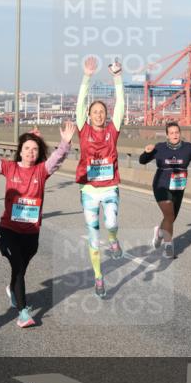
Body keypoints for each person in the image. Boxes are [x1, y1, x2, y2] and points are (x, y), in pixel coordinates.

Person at [0, 116, 76, 327]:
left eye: (34, 149)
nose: (30, 152)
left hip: (31, 232)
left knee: (20, 271)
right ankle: (23, 312)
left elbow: (57, 159)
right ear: (20, 150)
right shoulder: (9, 168)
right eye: (27, 148)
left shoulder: (41, 171)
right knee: (17, 265)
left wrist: (65, 143)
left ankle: (12, 289)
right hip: (9, 229)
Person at [75, 56, 125, 298]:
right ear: (89, 115)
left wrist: (117, 77)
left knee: (112, 222)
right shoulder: (83, 130)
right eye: (94, 111)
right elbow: (79, 105)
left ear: (106, 115)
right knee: (93, 236)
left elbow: (121, 106)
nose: (98, 115)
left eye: (101, 111)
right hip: (89, 192)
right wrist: (87, 77)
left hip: (110, 187)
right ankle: (98, 277)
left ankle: (114, 239)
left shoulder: (112, 131)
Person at [139, 122, 191, 258]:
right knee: (169, 215)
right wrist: (146, 152)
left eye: (177, 132)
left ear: (180, 133)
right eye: (171, 133)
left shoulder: (187, 148)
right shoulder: (160, 147)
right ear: (167, 135)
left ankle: (159, 233)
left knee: (170, 218)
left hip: (178, 187)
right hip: (161, 185)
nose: (175, 135)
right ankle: (169, 246)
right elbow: (142, 161)